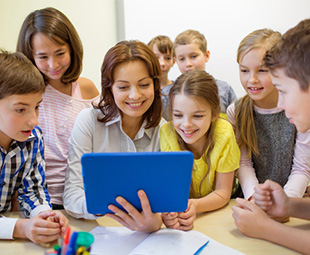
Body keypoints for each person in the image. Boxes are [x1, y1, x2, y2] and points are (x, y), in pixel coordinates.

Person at [63, 40, 165, 233]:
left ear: (155, 85)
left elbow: (168, 198)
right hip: (101, 230)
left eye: (143, 84)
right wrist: (105, 209)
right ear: (109, 88)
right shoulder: (89, 121)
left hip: (151, 235)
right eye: (123, 87)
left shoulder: (164, 129)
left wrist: (157, 220)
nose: (135, 96)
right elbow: (72, 194)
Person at [232, 19, 310, 254]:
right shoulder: (239, 110)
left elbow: (301, 169)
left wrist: (266, 228)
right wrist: (288, 205)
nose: (282, 105)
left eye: (283, 90)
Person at [16, 7, 100, 209]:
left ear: (72, 49)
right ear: (30, 55)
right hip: (35, 200)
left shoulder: (85, 88)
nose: (53, 64)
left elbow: (102, 141)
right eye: (43, 57)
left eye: (60, 53)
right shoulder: (24, 96)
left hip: (82, 198)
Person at [227, 28, 310, 200]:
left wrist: (285, 203)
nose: (252, 79)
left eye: (262, 70)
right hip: (252, 198)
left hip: (294, 198)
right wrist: (255, 197)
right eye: (244, 70)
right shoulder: (236, 111)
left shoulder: (298, 109)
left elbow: (302, 168)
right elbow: (243, 163)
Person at [0, 50, 68, 243]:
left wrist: (44, 215)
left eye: (37, 106)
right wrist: (21, 228)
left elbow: (33, 190)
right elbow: (20, 228)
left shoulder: (33, 138)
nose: (33, 120)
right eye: (21, 109)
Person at [160, 69, 240, 230]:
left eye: (197, 116)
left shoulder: (223, 133)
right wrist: (172, 214)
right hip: (187, 211)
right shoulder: (167, 133)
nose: (186, 124)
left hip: (221, 212)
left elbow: (223, 194)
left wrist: (194, 206)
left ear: (214, 114)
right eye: (178, 115)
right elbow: (172, 190)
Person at [173, 29, 237, 116]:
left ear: (206, 55)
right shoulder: (172, 92)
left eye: (194, 56)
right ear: (175, 60)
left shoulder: (225, 89)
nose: (188, 64)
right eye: (182, 59)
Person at [148, 35, 175, 120]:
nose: (162, 63)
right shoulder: (145, 89)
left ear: (173, 61)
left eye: (167, 58)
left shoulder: (177, 89)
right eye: (157, 57)